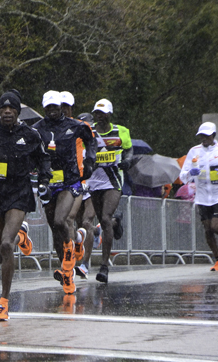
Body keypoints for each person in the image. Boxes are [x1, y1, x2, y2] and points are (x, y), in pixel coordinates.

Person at [0, 90, 51, 321]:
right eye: (3, 108)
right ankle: (20, 235)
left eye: (11, 109)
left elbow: (44, 158)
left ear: (17, 112)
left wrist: (44, 180)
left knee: (5, 244)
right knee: (0, 251)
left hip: (18, 193)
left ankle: (4, 301)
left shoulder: (30, 134)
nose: (6, 112)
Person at [32, 91, 96, 294]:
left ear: (61, 108)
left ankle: (71, 256)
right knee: (55, 228)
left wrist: (90, 160)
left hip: (69, 181)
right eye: (48, 108)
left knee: (62, 220)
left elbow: (91, 139)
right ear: (44, 109)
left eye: (55, 107)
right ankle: (66, 272)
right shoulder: (37, 129)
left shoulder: (74, 125)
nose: (52, 111)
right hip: (48, 181)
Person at [86, 98, 133, 283]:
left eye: (103, 112)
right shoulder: (88, 131)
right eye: (97, 112)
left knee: (103, 218)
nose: (99, 116)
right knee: (104, 220)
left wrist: (127, 161)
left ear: (109, 114)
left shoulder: (121, 131)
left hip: (113, 180)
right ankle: (115, 222)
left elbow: (129, 150)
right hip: (94, 181)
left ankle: (104, 266)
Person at [179, 122, 218, 271]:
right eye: (201, 136)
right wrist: (190, 174)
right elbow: (183, 174)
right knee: (207, 229)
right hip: (203, 195)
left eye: (206, 136)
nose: (203, 138)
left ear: (213, 135)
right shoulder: (194, 151)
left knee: (215, 226)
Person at [60, 92, 97, 280]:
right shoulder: (53, 128)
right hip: (66, 180)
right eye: (61, 106)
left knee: (84, 221)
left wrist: (90, 162)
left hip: (86, 180)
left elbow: (92, 144)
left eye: (67, 106)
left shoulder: (79, 127)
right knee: (65, 221)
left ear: (72, 107)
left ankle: (83, 265)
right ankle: (76, 247)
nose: (63, 109)